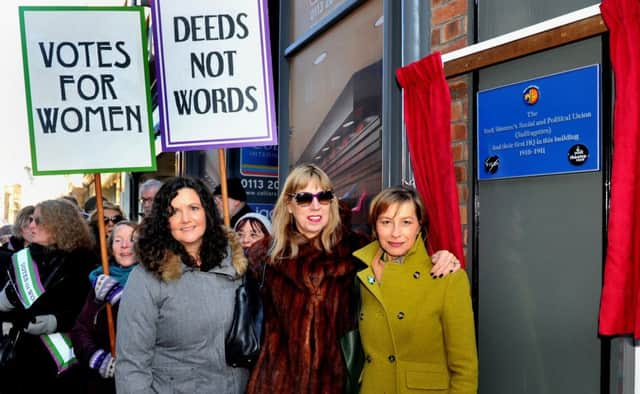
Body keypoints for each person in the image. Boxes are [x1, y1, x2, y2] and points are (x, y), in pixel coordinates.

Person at [245, 164, 461, 393]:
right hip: (276, 384)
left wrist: (441, 257)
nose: (315, 206)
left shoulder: (358, 250)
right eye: (304, 198)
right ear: (289, 205)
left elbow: (405, 260)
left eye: (324, 196)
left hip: (338, 384)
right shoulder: (264, 256)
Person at [115, 177, 249, 393]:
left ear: (207, 211)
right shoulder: (147, 277)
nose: (185, 219)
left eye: (193, 208)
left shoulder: (235, 266)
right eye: (174, 211)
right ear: (163, 221)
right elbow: (132, 365)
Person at [353, 186, 478, 393]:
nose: (395, 233)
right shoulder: (361, 271)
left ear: (419, 226)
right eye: (386, 222)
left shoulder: (447, 278)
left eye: (406, 222)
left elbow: (465, 369)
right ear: (375, 226)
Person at [0, 199, 97, 393]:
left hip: (64, 358)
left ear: (59, 224)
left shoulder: (84, 261)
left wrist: (53, 321)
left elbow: (85, 311)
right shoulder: (22, 258)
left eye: (38, 220)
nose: (31, 225)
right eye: (30, 219)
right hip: (23, 356)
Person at [70, 221, 138, 394]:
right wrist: (96, 357)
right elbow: (81, 328)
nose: (124, 246)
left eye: (132, 239)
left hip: (139, 376)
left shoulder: (154, 278)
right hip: (102, 376)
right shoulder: (101, 279)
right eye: (117, 240)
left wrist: (119, 298)